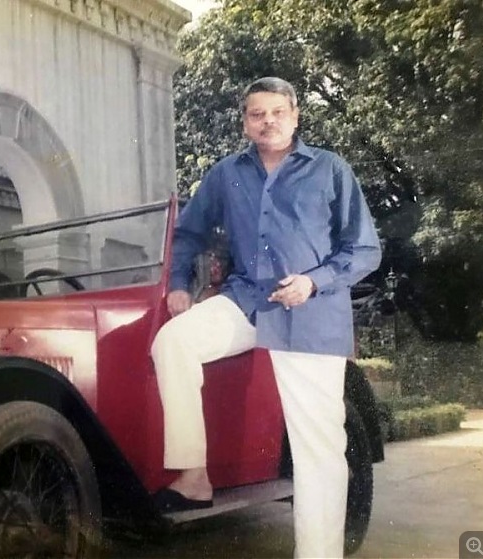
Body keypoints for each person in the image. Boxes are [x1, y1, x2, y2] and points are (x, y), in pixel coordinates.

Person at [151, 77, 381, 558]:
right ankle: (193, 476)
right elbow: (189, 231)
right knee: (173, 342)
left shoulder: (330, 169)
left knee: (317, 449)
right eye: (257, 114)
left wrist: (313, 281)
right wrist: (176, 283)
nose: (268, 121)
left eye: (277, 112)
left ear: (296, 116)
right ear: (245, 122)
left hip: (309, 312)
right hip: (247, 301)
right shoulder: (226, 174)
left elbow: (364, 249)